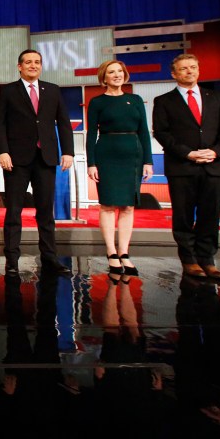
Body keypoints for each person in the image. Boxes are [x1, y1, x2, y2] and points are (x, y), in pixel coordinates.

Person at [152, 53, 220, 281]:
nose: (189, 71)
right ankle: (189, 260)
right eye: (184, 68)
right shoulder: (164, 101)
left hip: (213, 165)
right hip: (182, 166)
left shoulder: (216, 97)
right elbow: (162, 133)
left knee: (211, 214)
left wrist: (216, 151)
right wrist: (187, 153)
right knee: (183, 216)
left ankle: (207, 260)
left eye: (193, 67)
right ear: (174, 74)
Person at [0, 49, 75, 277]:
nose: (33, 65)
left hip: (46, 158)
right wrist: (2, 152)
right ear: (19, 66)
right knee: (14, 212)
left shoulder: (53, 90)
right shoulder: (8, 91)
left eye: (37, 62)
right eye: (28, 62)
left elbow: (64, 123)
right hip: (16, 160)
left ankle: (50, 258)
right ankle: (11, 261)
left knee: (46, 212)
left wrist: (68, 152)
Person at [86, 59, 153, 279]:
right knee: (107, 205)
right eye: (111, 72)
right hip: (106, 153)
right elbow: (91, 134)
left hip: (133, 155)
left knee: (128, 206)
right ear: (104, 78)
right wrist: (91, 163)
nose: (117, 75)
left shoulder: (135, 100)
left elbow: (144, 131)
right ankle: (111, 252)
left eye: (120, 71)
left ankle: (124, 252)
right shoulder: (97, 102)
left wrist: (148, 161)